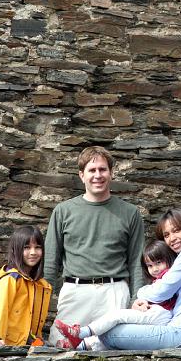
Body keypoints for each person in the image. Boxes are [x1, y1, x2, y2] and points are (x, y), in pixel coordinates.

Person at [43, 146, 145, 346]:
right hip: (75, 292)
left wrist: (136, 298)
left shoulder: (130, 213)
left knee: (112, 354)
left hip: (114, 292)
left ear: (111, 173)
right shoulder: (63, 211)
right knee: (62, 348)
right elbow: (50, 260)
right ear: (82, 175)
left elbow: (136, 262)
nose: (97, 175)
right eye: (92, 170)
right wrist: (41, 301)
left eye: (102, 169)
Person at [97, 208, 181, 350]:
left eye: (176, 231)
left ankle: (83, 345)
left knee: (109, 333)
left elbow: (162, 291)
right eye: (166, 235)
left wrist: (141, 294)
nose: (172, 238)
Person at [53, 239, 178, 350]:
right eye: (150, 265)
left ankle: (81, 332)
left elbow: (158, 291)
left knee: (118, 315)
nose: (154, 269)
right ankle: (81, 345)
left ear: (169, 259)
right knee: (118, 330)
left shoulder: (169, 275)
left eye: (158, 263)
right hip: (157, 312)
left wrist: (142, 295)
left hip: (162, 313)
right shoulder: (159, 278)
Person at [0, 225, 52, 348]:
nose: (33, 252)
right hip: (3, 346)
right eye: (27, 247)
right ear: (15, 250)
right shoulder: (9, 279)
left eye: (37, 247)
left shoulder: (41, 285)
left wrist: (37, 342)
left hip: (25, 346)